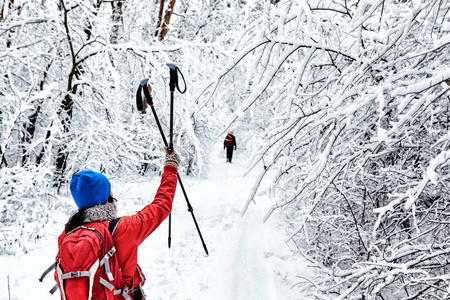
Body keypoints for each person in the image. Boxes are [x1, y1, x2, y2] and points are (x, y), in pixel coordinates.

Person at [59, 148, 180, 300]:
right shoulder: (125, 227)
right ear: (107, 195)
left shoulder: (66, 234)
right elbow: (161, 205)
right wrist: (170, 168)